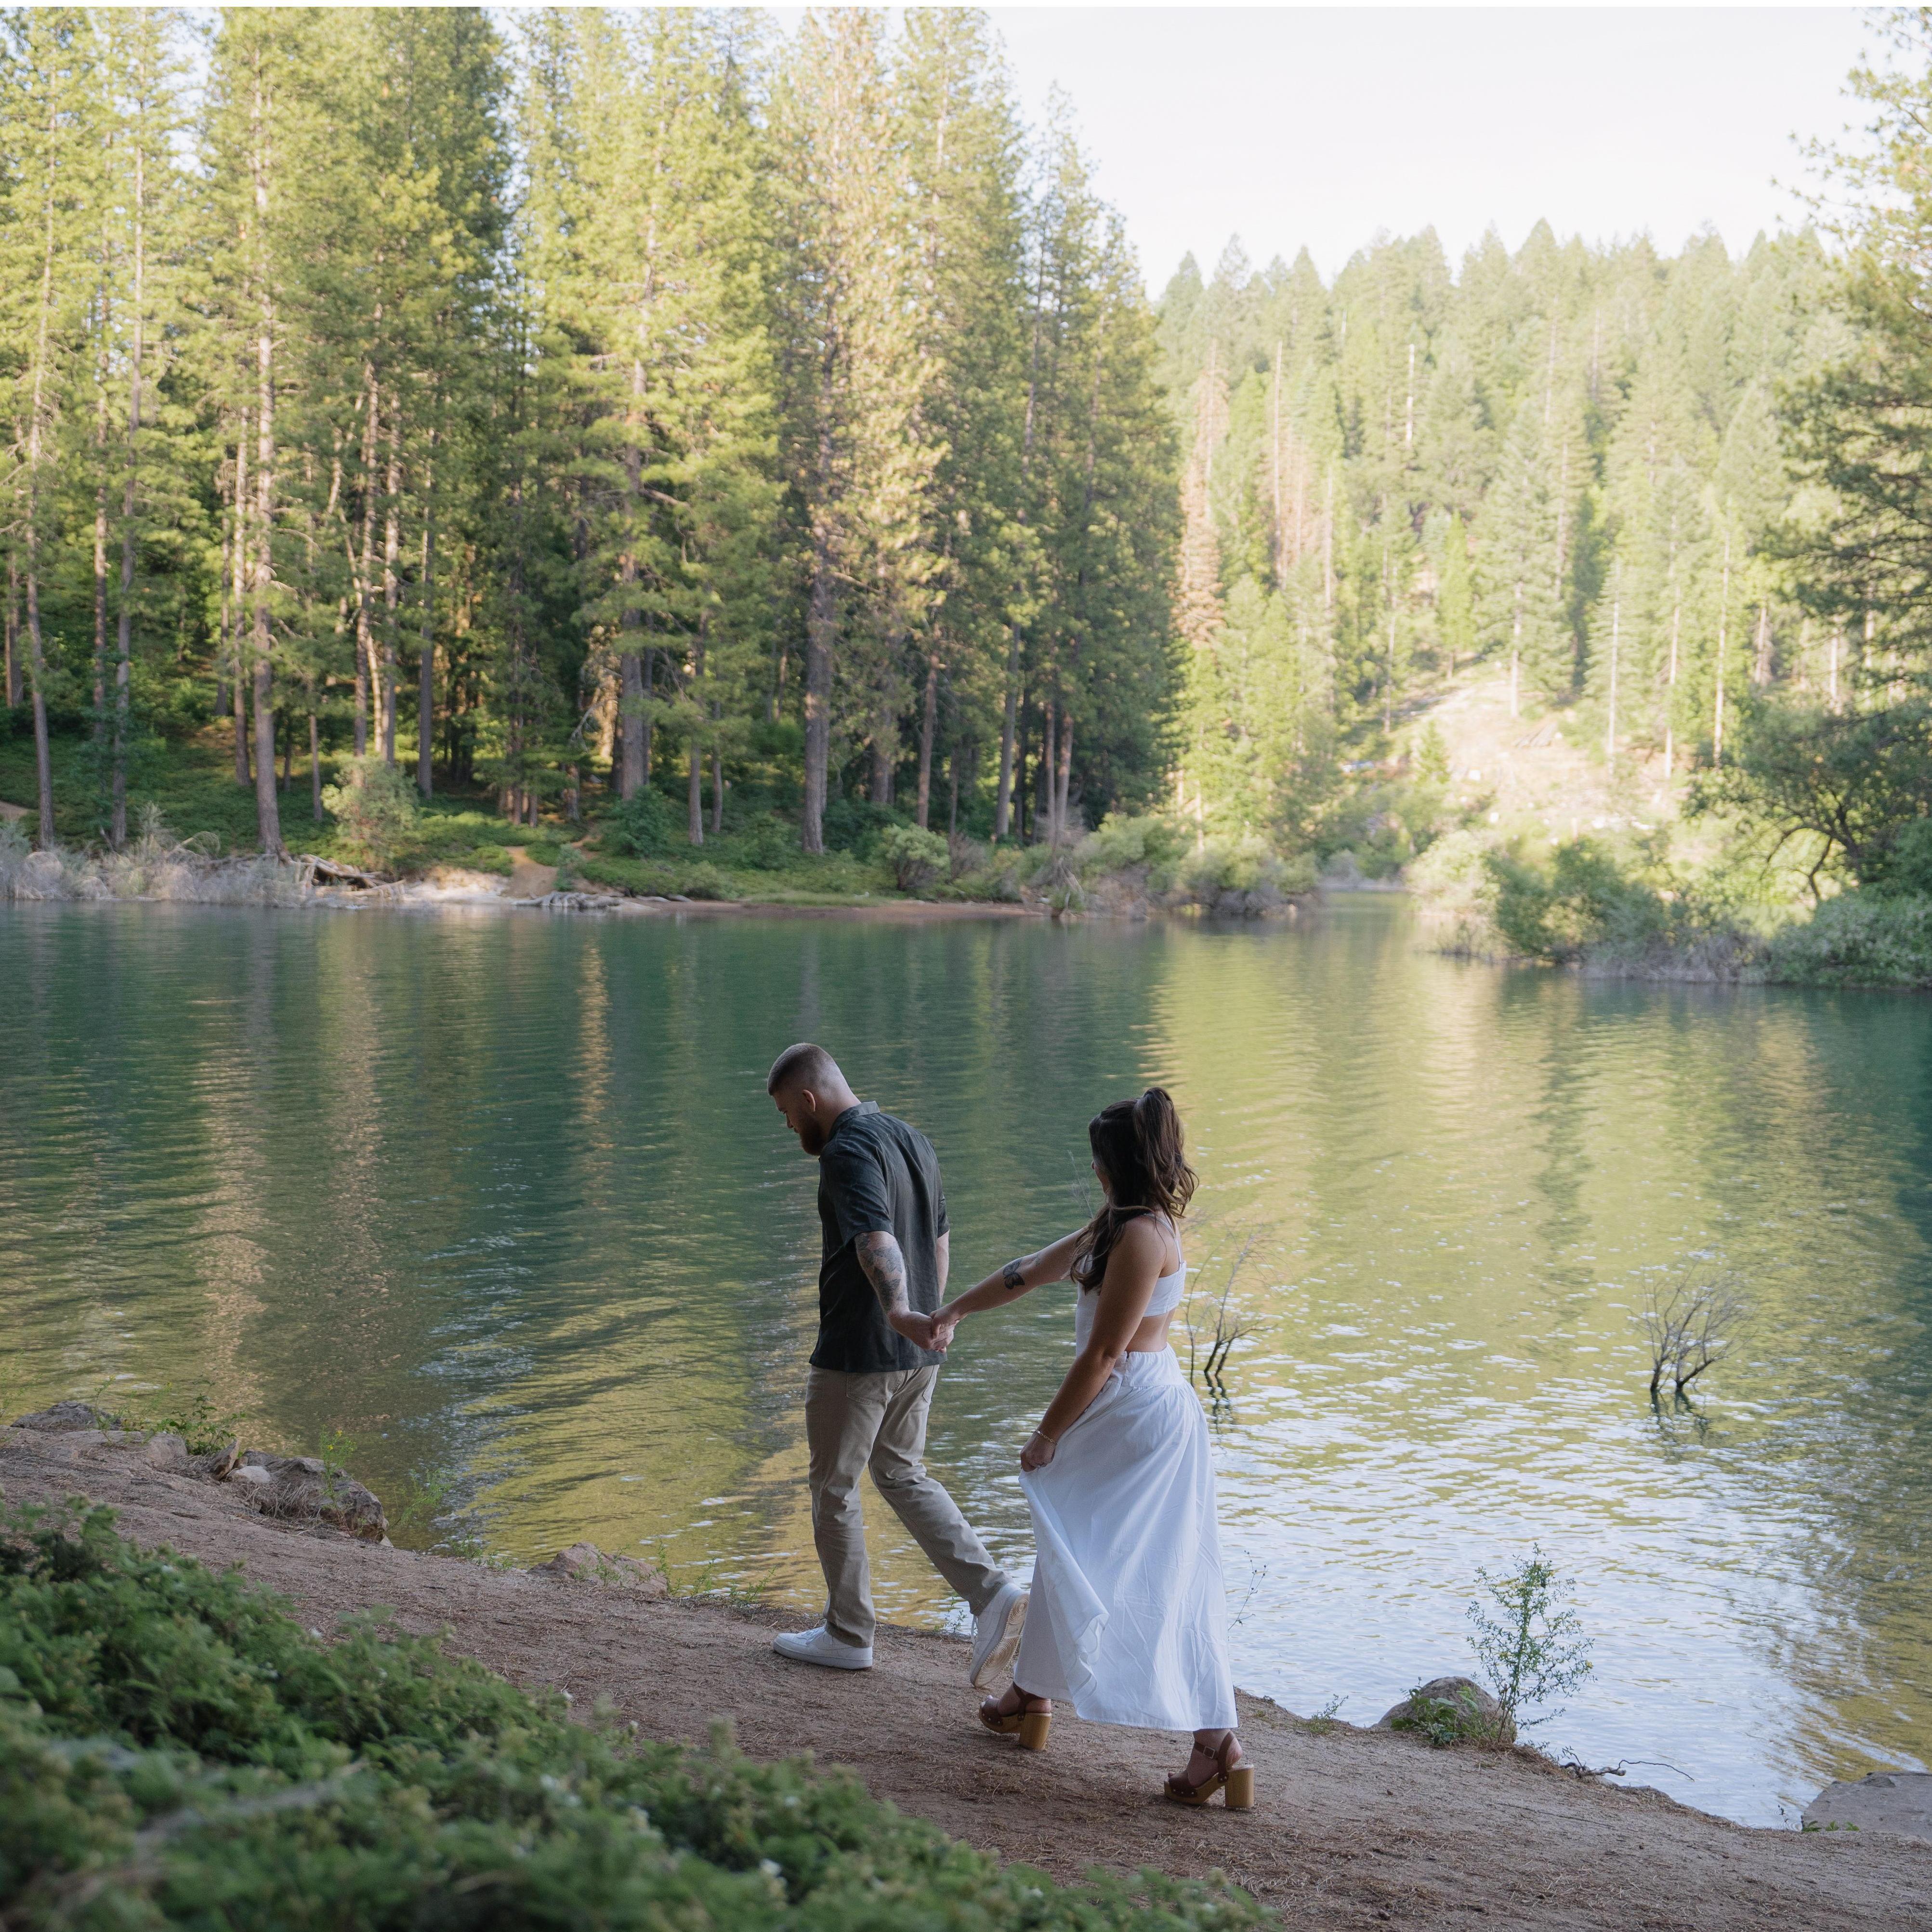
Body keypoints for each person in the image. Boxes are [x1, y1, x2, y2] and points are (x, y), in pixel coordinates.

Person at [923, 1088, 1251, 1809]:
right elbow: (1031, 1268)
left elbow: (1106, 1352)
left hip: (1137, 1418)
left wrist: (1047, 1433)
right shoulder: (1117, 1224)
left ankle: (1216, 1740)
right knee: (1068, 1546)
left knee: (1156, 1574)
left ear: (1115, 1165)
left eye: (1098, 1159)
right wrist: (954, 1310)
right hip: (1119, 1412)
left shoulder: (1143, 1238)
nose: (1093, 1169)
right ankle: (1029, 1694)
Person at [766, 1042, 1027, 1683]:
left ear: (809, 1099)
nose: (790, 1127)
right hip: (917, 1350)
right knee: (903, 1472)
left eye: (788, 1113)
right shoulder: (913, 1139)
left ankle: (848, 1633)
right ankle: (995, 1595)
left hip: (858, 1351)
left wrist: (898, 1311)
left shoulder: (846, 1149)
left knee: (834, 1486)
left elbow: (875, 1238)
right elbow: (940, 1240)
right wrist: (930, 1321)